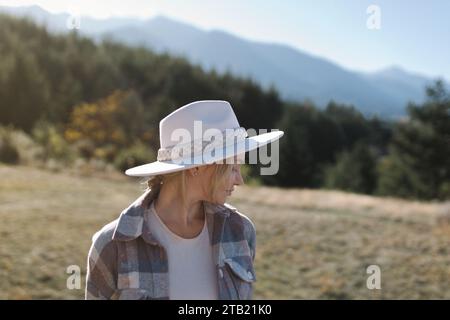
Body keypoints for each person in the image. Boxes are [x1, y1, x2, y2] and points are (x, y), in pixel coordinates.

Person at [85, 100, 284, 300]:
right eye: (233, 168)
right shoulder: (112, 246)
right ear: (195, 167)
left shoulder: (240, 231)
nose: (240, 180)